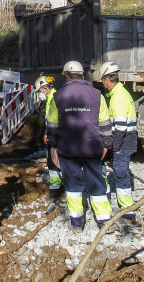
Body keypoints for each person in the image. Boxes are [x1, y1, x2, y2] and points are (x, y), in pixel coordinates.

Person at [51, 60, 112, 233]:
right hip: (92, 146)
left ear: (66, 76)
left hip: (67, 148)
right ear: (83, 76)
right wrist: (106, 144)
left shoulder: (58, 96)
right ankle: (104, 221)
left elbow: (52, 125)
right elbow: (105, 123)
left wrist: (55, 145)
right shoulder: (97, 94)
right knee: (97, 182)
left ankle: (77, 222)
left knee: (72, 185)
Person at [98, 62, 138, 225]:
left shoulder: (118, 98)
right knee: (121, 172)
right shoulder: (120, 93)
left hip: (124, 142)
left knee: (121, 173)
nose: (103, 84)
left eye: (103, 81)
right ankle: (126, 206)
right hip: (126, 141)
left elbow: (120, 127)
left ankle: (127, 209)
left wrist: (115, 147)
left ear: (107, 80)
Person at [37, 75, 63, 214]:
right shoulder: (51, 98)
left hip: (55, 138)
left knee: (54, 163)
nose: (40, 93)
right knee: (52, 162)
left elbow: (53, 121)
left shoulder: (53, 98)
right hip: (53, 136)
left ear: (45, 88)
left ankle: (55, 191)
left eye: (40, 90)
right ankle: (56, 189)